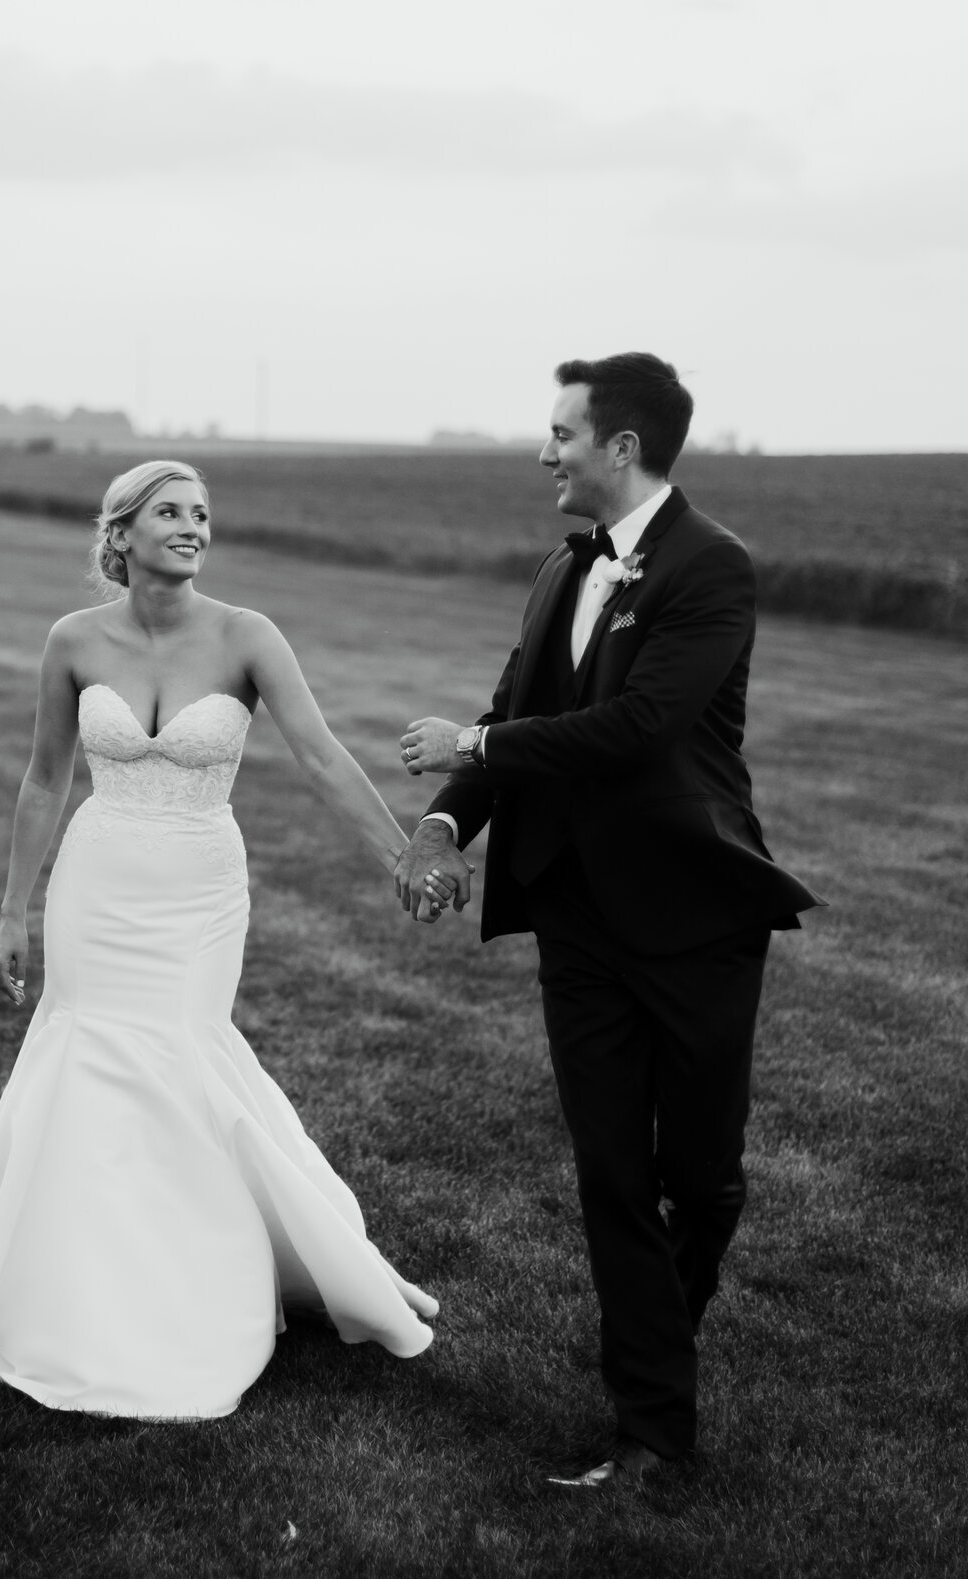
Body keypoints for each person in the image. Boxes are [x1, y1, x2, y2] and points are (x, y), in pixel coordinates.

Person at [395, 354, 823, 1488]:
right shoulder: (558, 569)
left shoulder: (710, 566)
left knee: (701, 1174)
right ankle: (649, 1428)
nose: (544, 452)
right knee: (610, 1174)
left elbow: (638, 726)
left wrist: (479, 746)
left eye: (560, 432)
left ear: (619, 446)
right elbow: (513, 715)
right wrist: (445, 825)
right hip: (576, 916)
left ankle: (659, 1331)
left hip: (691, 912)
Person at [0, 459, 442, 1420]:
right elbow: (46, 779)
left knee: (181, 1055)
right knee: (89, 1057)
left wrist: (399, 854)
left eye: (202, 514)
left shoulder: (248, 636)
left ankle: (200, 1276)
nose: (192, 526)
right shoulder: (73, 640)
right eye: (169, 511)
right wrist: (14, 909)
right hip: (100, 881)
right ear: (121, 534)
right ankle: (85, 1281)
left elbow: (321, 754)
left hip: (200, 891)